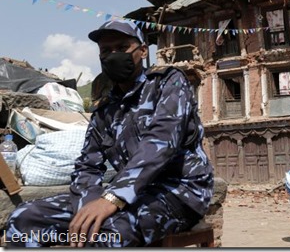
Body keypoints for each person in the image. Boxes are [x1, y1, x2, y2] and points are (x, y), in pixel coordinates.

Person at [5, 20, 214, 247]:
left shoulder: (168, 83)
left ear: (143, 51)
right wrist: (87, 205)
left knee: (108, 234)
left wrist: (113, 197)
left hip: (179, 193)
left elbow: (161, 143)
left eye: (122, 48)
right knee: (24, 219)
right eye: (106, 50)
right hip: (127, 195)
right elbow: (88, 165)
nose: (113, 55)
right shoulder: (105, 109)